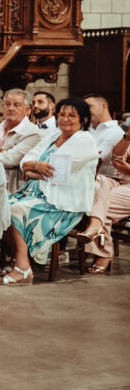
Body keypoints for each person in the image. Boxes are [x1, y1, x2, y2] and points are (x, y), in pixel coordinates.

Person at [0, 98, 98, 286]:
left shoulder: (85, 140)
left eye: (71, 115)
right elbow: (25, 161)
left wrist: (31, 171)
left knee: (14, 211)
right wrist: (34, 166)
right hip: (35, 194)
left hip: (62, 203)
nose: (65, 119)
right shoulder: (53, 137)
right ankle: (19, 258)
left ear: (83, 120)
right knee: (0, 207)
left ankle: (22, 267)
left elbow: (57, 172)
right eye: (62, 115)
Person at [76, 95, 129, 273]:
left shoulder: (111, 130)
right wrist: (127, 137)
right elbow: (117, 157)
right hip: (117, 181)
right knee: (99, 183)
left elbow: (118, 163)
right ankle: (96, 231)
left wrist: (127, 168)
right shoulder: (123, 133)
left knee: (100, 207)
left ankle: (103, 252)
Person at [0, 89, 42, 193]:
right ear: (2, 106)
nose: (10, 108)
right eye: (7, 104)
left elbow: (10, 159)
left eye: (16, 105)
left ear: (27, 110)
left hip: (11, 190)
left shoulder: (32, 132)